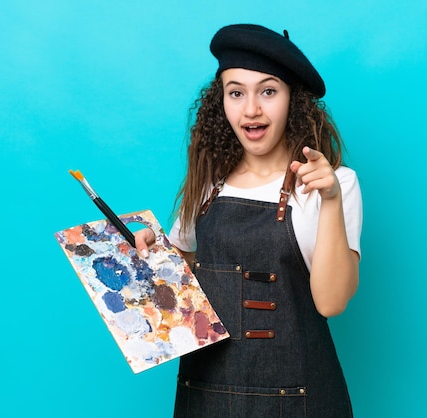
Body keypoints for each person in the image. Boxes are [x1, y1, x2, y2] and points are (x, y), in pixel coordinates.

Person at [136, 23, 362, 417]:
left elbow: (332, 302)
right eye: (236, 92)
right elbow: (191, 269)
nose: (251, 108)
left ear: (294, 100)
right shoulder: (209, 184)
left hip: (298, 400)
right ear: (220, 102)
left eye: (269, 91)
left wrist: (330, 201)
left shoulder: (334, 184)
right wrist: (153, 252)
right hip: (205, 395)